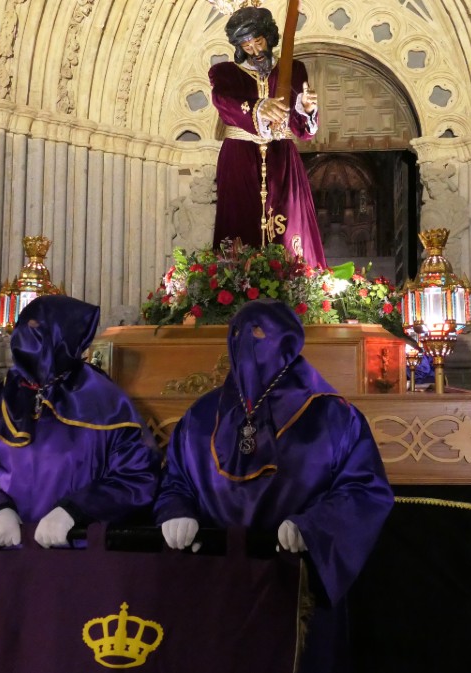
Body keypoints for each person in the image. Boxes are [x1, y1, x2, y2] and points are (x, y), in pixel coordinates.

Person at [155, 299, 393, 672]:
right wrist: (175, 512)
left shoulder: (333, 415)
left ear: (286, 343)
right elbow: (176, 481)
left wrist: (314, 527)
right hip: (215, 582)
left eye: (259, 335)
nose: (245, 343)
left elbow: (364, 490)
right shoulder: (203, 415)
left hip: (296, 582)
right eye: (236, 334)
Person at [0, 296, 161, 548]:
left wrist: (77, 510)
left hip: (82, 551)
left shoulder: (107, 403)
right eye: (27, 326)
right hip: (9, 552)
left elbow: (137, 476)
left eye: (40, 329)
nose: (28, 336)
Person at [210, 6, 326, 266]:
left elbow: (302, 132)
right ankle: (236, 286)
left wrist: (306, 110)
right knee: (240, 225)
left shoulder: (293, 69)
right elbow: (222, 99)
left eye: (258, 42)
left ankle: (294, 279)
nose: (255, 50)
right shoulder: (225, 73)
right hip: (240, 159)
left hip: (282, 160)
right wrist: (259, 108)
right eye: (247, 46)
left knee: (289, 223)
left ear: (269, 37)